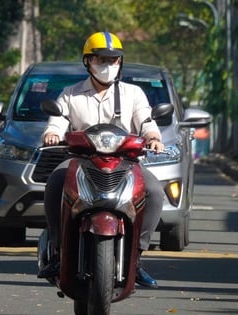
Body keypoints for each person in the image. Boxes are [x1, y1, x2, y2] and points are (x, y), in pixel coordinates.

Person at [37, 31, 164, 289]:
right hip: (80, 161)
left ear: (120, 63)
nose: (108, 66)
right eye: (101, 60)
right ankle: (57, 250)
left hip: (126, 163)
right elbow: (57, 121)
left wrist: (152, 137)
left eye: (114, 60)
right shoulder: (70, 94)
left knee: (154, 192)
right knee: (55, 182)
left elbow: (146, 120)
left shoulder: (134, 94)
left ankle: (137, 257)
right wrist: (51, 133)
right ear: (88, 62)